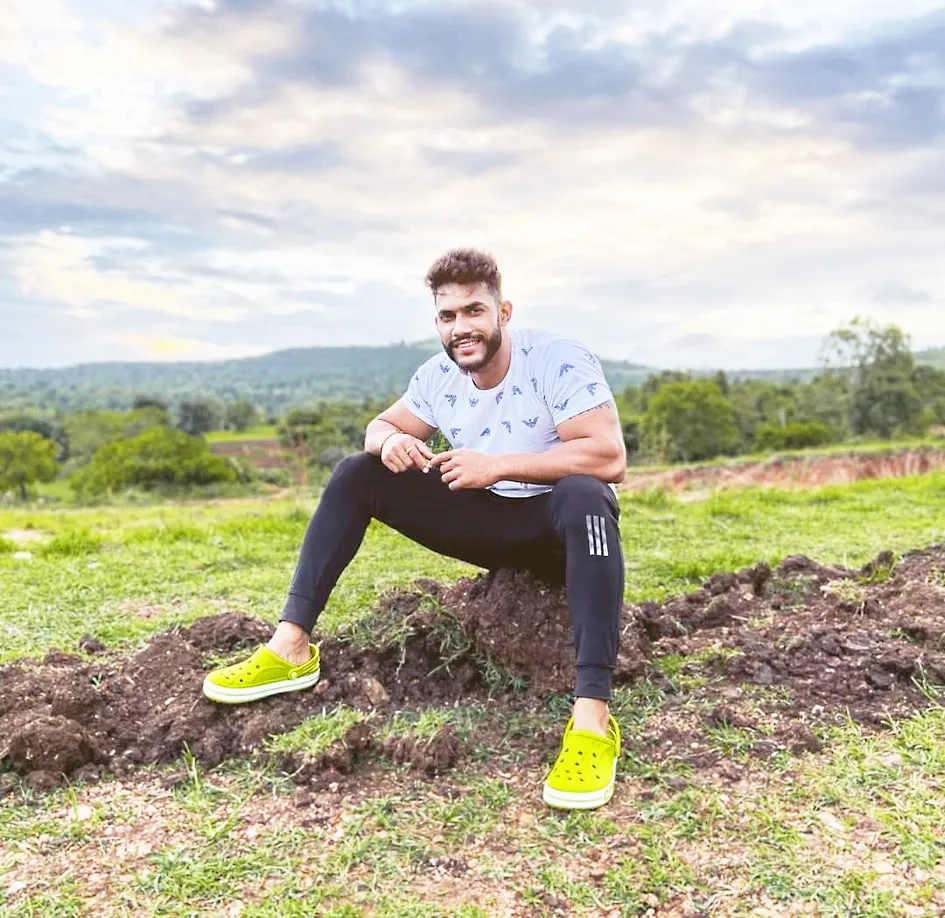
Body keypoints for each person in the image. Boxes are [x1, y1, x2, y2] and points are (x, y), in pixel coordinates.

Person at [203, 248, 627, 810]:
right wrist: (392, 441)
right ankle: (290, 648)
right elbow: (376, 427)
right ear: (437, 324)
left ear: (504, 311)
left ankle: (592, 722)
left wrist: (495, 464)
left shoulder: (557, 359)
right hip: (488, 520)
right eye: (448, 317)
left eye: (474, 311)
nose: (462, 327)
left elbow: (608, 456)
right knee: (359, 472)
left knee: (585, 492)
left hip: (561, 533)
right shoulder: (437, 377)